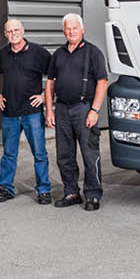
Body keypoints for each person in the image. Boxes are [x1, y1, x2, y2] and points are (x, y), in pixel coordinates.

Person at [44, 13, 109, 211]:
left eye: (75, 28)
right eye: (68, 28)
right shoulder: (58, 54)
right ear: (63, 31)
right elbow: (50, 83)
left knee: (89, 154)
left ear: (82, 29)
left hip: (84, 108)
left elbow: (102, 82)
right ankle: (71, 192)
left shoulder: (93, 52)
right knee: (64, 155)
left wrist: (94, 110)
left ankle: (93, 194)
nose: (71, 31)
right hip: (62, 108)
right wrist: (49, 110)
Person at [0, 19, 53, 205]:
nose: (13, 34)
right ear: (5, 34)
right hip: (10, 113)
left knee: (39, 153)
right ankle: (5, 188)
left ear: (22, 31)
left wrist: (44, 96)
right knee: (9, 154)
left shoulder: (38, 52)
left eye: (16, 30)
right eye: (9, 31)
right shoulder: (2, 54)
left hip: (32, 113)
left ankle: (44, 190)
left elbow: (53, 76)